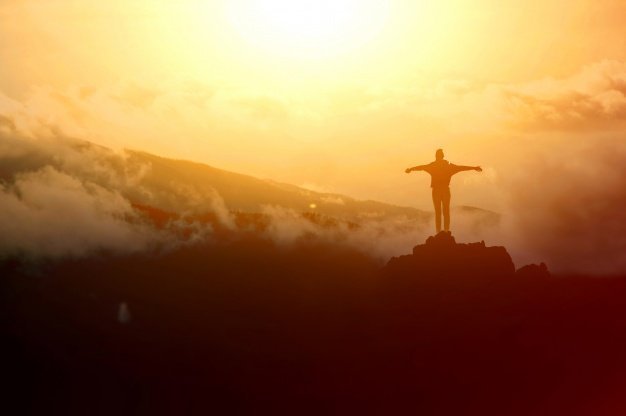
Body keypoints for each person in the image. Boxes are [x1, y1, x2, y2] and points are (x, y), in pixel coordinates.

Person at [405, 149, 482, 234]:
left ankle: (439, 232)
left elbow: (422, 167)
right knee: (446, 211)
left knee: (438, 212)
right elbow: (461, 168)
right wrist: (474, 168)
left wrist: (411, 169)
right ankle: (446, 232)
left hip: (436, 191)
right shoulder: (448, 166)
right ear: (442, 156)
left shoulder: (433, 166)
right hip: (445, 190)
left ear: (436, 156)